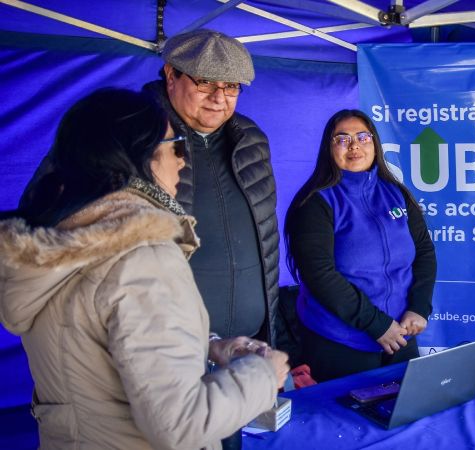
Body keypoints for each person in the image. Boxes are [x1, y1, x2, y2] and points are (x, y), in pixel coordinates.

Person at [0, 88, 289, 450]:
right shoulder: (141, 257)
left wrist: (207, 345)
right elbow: (181, 425)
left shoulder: (59, 240)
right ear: (139, 156)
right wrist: (263, 375)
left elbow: (95, 338)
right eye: (175, 146)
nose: (182, 161)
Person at [283, 109, 436, 382]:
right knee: (348, 411)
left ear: (374, 143)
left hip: (400, 335)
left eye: (363, 137)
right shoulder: (315, 202)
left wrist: (419, 307)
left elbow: (424, 252)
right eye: (342, 139)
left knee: (409, 407)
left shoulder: (397, 194)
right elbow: (320, 275)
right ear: (328, 148)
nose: (354, 145)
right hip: (340, 342)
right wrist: (377, 325)